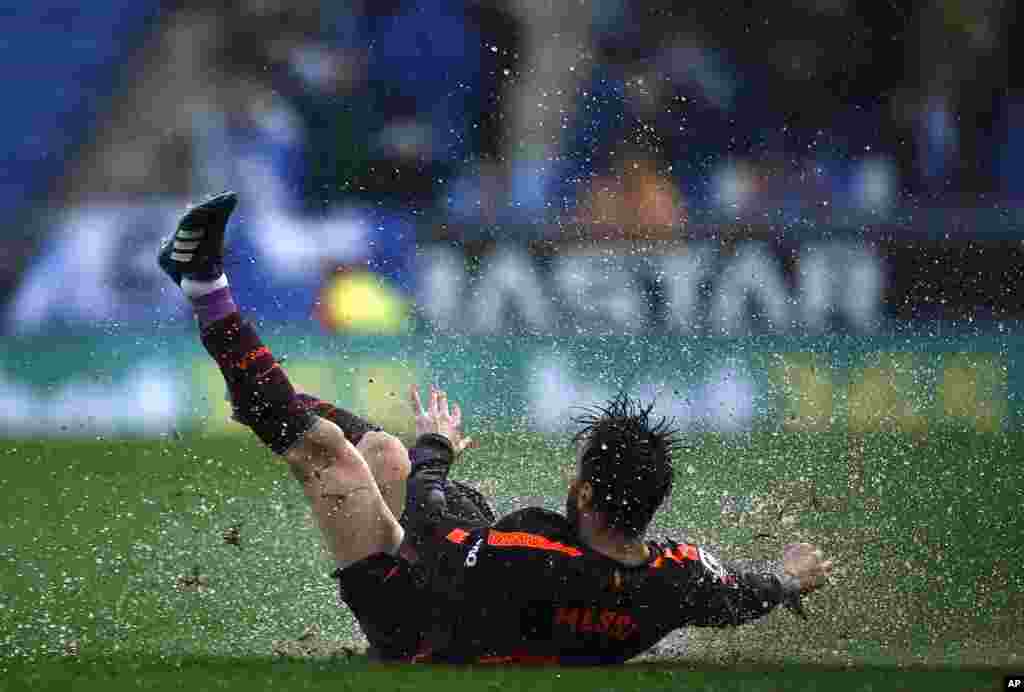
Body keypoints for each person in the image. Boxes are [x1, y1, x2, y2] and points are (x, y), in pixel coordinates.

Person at [159, 191, 834, 665]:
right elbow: (740, 593)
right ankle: (264, 400)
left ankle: (201, 283)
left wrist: (438, 449)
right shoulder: (676, 577)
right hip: (469, 591)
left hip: (419, 626)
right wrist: (786, 577)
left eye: (583, 468)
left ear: (591, 496)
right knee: (383, 452)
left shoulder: (533, 554)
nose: (573, 477)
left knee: (330, 458)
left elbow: (430, 534)